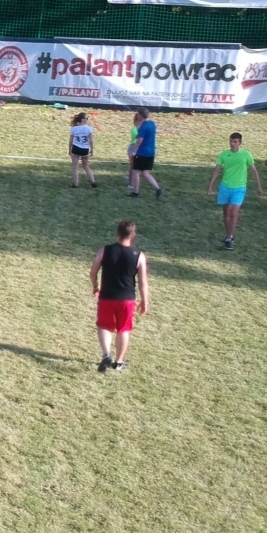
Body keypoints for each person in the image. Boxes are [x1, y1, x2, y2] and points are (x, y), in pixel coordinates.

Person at [90, 220, 150, 372]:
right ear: (133, 235)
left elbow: (93, 272)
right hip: (127, 300)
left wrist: (95, 286)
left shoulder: (104, 250)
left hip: (107, 297)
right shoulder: (139, 256)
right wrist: (145, 301)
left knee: (104, 326)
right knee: (123, 329)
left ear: (117, 233)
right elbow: (143, 282)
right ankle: (119, 362)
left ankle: (106, 355)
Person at [207, 131, 264, 249]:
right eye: (231, 141)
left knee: (233, 212)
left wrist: (259, 186)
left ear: (240, 142)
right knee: (226, 212)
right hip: (225, 187)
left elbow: (253, 170)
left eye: (235, 142)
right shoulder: (224, 154)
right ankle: (228, 234)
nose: (232, 144)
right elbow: (217, 169)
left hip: (239, 188)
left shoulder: (246, 155)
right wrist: (210, 184)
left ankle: (229, 237)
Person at [126, 110, 164, 199]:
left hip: (142, 152)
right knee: (146, 173)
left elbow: (139, 140)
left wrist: (134, 150)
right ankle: (158, 189)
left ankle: (135, 193)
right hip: (151, 152)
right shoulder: (152, 124)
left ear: (140, 115)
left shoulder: (143, 126)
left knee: (136, 171)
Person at [68, 112, 97, 188]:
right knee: (86, 166)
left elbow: (70, 141)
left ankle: (75, 184)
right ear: (82, 119)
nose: (87, 120)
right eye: (86, 118)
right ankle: (93, 182)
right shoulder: (89, 128)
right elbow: (91, 141)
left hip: (76, 148)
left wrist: (69, 150)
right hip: (85, 149)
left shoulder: (73, 128)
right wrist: (92, 150)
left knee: (75, 167)